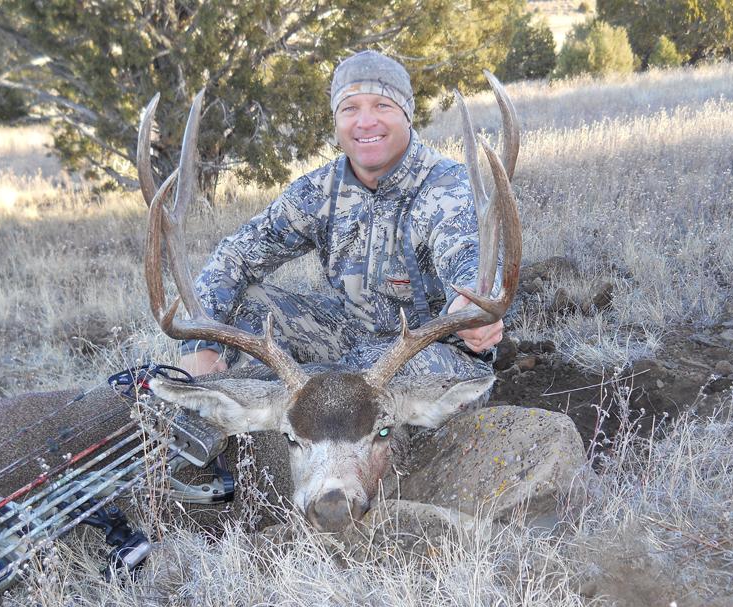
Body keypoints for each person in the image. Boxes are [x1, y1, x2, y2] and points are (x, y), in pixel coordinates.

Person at [179, 50, 504, 378]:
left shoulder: (445, 186)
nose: (365, 122)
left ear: (407, 114)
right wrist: (199, 346)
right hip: (350, 340)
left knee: (374, 372)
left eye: (382, 105)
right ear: (336, 121)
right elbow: (235, 256)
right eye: (349, 108)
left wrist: (473, 304)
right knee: (244, 306)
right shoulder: (321, 190)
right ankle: (257, 421)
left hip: (434, 354)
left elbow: (469, 255)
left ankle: (316, 393)